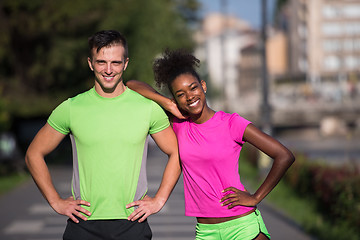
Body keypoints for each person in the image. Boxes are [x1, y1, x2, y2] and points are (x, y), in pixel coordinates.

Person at [25, 30, 181, 240]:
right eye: (101, 62)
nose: (108, 70)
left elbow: (178, 153)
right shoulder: (71, 108)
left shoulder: (148, 109)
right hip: (83, 225)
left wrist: (159, 199)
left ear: (125, 63)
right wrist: (56, 201)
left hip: (132, 223)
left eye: (115, 63)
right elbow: (33, 154)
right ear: (90, 63)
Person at [125, 49, 295, 240]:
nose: (189, 96)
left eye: (193, 88)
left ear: (203, 86)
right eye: (180, 94)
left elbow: (284, 155)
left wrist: (256, 197)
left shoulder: (232, 123)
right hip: (206, 231)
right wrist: (167, 103)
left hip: (242, 227)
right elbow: (131, 85)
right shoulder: (179, 124)